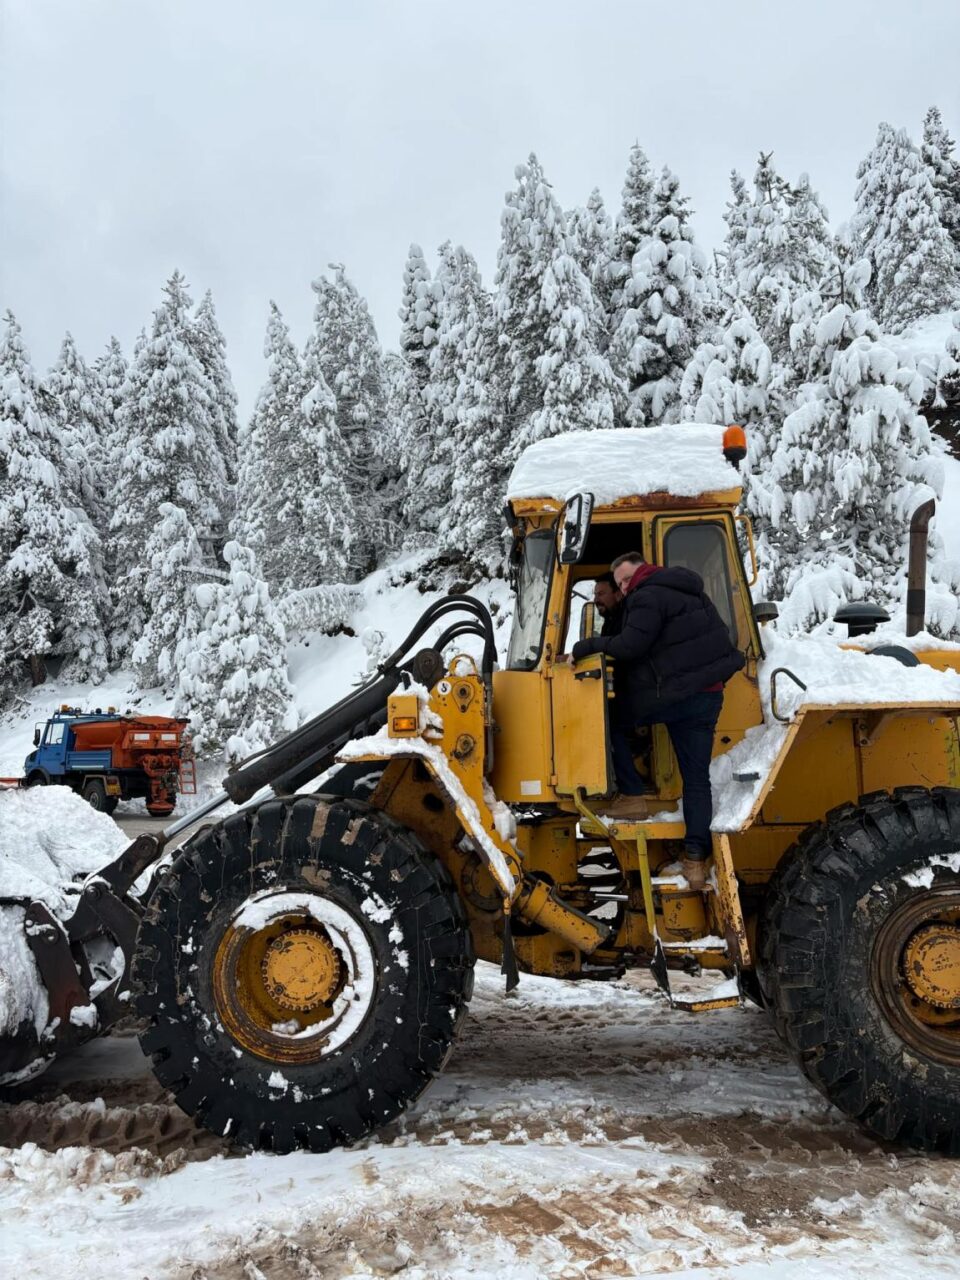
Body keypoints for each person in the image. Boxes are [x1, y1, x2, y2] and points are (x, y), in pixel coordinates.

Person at [571, 551, 745, 888]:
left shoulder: (646, 594)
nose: (623, 588)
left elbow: (631, 645)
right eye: (620, 584)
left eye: (624, 580)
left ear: (639, 572)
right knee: (696, 780)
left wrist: (586, 647)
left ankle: (633, 797)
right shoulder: (690, 590)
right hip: (707, 696)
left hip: (678, 696)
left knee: (610, 720)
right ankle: (695, 861)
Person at [593, 572, 623, 636]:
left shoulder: (627, 621)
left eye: (600, 594)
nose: (596, 600)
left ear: (618, 595)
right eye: (595, 595)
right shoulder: (610, 620)